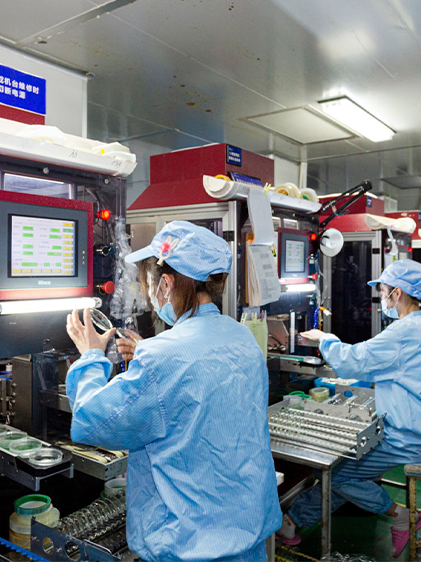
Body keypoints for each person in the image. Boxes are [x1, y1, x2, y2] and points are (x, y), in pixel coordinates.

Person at [65, 221, 280, 562]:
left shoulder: (162, 356)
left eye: (150, 284)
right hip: (248, 537)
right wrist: (151, 355)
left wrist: (91, 356)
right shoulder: (242, 338)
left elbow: (91, 421)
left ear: (165, 284)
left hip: (191, 547)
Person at [279, 260, 421, 557]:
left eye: (384, 291)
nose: (382, 298)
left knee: (338, 473)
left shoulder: (404, 333)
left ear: (397, 293)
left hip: (410, 437)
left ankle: (401, 515)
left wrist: (325, 340)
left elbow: (353, 361)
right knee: (348, 471)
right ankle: (292, 522)